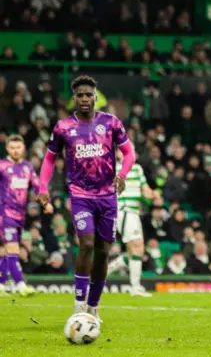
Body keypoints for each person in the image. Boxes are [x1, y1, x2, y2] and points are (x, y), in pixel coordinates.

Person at [37, 75, 136, 320]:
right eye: (79, 94)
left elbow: (129, 153)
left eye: (88, 95)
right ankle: (79, 303)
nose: (84, 99)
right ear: (74, 98)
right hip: (80, 195)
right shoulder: (63, 127)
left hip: (107, 196)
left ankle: (93, 306)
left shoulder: (111, 123)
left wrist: (122, 174)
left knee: (103, 252)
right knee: (87, 244)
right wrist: (42, 187)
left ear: (95, 97)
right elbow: (49, 158)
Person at [0, 135, 53, 296]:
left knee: (3, 251)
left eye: (19, 147)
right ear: (7, 149)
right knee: (13, 248)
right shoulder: (2, 166)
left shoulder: (28, 167)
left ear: (23, 148)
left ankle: (0, 285)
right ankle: (20, 285)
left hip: (19, 216)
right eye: (12, 147)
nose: (16, 150)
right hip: (4, 214)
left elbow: (37, 187)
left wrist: (46, 203)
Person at [107, 147, 160, 297]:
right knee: (137, 246)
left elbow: (146, 192)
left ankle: (110, 268)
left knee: (135, 249)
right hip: (123, 210)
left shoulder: (137, 169)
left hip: (134, 213)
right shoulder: (112, 167)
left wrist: (154, 194)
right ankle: (135, 287)